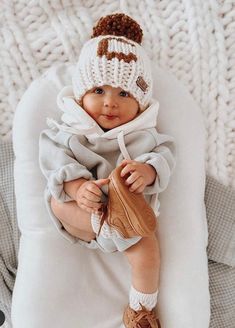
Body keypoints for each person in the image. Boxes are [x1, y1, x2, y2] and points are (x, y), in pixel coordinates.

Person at [39, 13, 175, 328]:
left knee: (148, 251)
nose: (110, 103)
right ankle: (105, 224)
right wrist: (76, 187)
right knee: (58, 202)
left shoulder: (144, 136)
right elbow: (52, 159)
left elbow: (166, 156)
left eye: (124, 94)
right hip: (84, 217)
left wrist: (147, 171)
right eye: (99, 91)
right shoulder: (71, 130)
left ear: (140, 103)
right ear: (82, 93)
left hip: (129, 225)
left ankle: (142, 311)